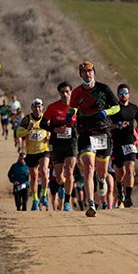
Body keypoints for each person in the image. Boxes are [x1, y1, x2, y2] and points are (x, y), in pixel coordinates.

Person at [69, 61, 120, 217]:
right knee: (89, 167)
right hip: (85, 132)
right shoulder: (77, 92)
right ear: (80, 74)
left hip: (102, 131)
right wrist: (71, 114)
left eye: (90, 71)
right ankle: (91, 202)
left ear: (94, 72)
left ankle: (102, 179)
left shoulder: (103, 89)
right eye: (84, 72)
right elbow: (73, 107)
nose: (87, 74)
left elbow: (117, 106)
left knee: (102, 171)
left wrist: (106, 112)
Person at [42, 82, 78, 211]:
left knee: (69, 171)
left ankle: (67, 203)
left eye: (67, 91)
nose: (65, 94)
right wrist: (55, 129)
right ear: (59, 93)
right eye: (62, 92)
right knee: (58, 177)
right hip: (57, 144)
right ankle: (62, 185)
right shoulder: (53, 107)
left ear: (71, 92)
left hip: (71, 143)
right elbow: (42, 123)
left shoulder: (76, 107)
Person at [16, 98, 52, 211]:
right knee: (34, 177)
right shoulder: (26, 119)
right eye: (35, 107)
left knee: (44, 171)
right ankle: (36, 200)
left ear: (42, 107)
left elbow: (51, 129)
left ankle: (44, 195)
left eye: (39, 106)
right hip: (31, 153)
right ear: (32, 107)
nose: (37, 109)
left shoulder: (46, 119)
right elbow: (18, 133)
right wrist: (28, 130)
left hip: (43, 150)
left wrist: (49, 136)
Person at [110, 83, 138, 208]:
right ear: (118, 95)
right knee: (120, 171)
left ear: (129, 95)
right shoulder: (114, 109)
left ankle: (128, 197)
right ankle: (119, 187)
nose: (123, 95)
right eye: (121, 93)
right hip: (117, 142)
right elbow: (107, 125)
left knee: (130, 168)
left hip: (130, 141)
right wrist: (117, 125)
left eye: (126, 93)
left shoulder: (134, 108)